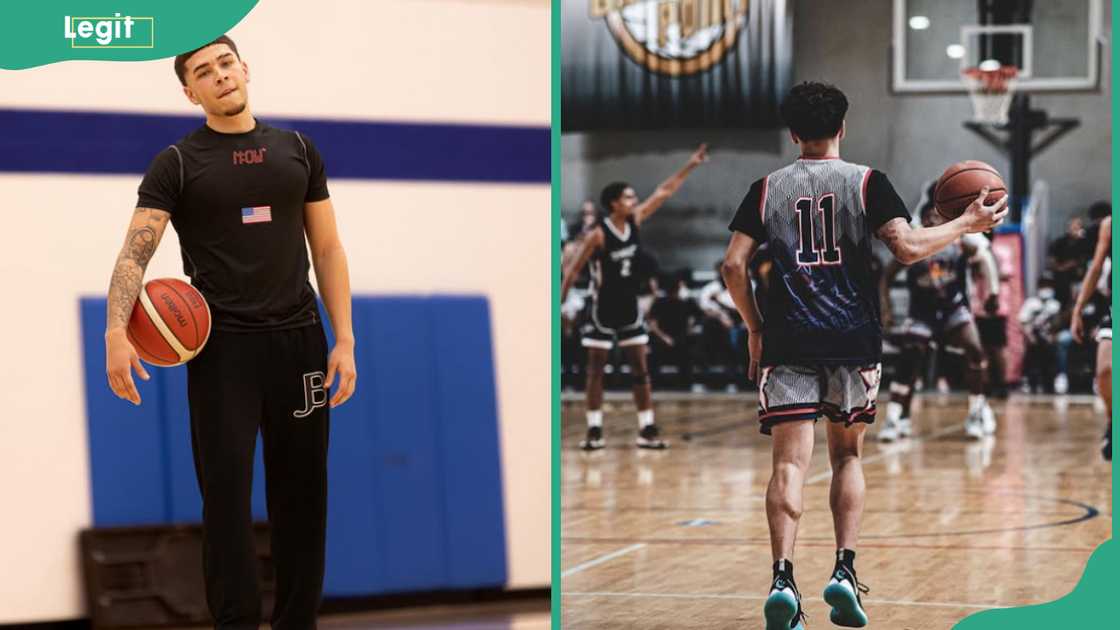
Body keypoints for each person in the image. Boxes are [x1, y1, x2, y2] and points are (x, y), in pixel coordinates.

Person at [720, 82, 1007, 630]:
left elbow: (733, 266)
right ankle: (844, 572)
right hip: (852, 340)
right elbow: (908, 247)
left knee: (788, 465)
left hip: (788, 341)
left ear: (793, 134)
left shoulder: (766, 188)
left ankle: (782, 579)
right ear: (843, 127)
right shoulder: (868, 182)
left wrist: (754, 327)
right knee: (847, 457)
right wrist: (967, 224)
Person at [103, 36, 356, 629]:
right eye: (203, 72)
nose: (218, 75)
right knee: (225, 502)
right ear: (190, 93)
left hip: (300, 344)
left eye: (225, 64)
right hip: (223, 353)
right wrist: (116, 330)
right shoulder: (177, 163)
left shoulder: (298, 150)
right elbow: (135, 253)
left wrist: (344, 338)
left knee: (303, 499)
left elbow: (327, 248)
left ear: (244, 68)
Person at [561, 144, 708, 450]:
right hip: (602, 308)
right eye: (628, 197)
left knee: (641, 370)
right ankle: (594, 429)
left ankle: (646, 429)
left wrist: (691, 164)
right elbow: (573, 271)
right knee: (596, 371)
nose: (635, 200)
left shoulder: (635, 221)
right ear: (614, 204)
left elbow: (664, 192)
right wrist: (557, 305)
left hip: (629, 306)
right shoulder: (598, 235)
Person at [878, 199, 1001, 441]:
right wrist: (886, 309)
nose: (935, 220)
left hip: (953, 309)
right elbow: (886, 277)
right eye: (930, 217)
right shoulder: (913, 243)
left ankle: (978, 411)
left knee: (975, 349)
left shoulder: (958, 241)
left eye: (938, 216)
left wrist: (993, 292)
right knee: (910, 357)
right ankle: (897, 416)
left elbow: (985, 259)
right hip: (921, 313)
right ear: (923, 221)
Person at [1071, 215, 1112, 461]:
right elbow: (1096, 268)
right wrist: (1078, 308)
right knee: (1105, 370)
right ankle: (1113, 421)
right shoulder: (1110, 224)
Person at [647, 272, 703, 389]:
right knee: (653, 352)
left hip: (682, 338)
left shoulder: (688, 302)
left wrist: (691, 325)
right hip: (662, 339)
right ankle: (655, 384)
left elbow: (699, 316)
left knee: (688, 349)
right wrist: (664, 338)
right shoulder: (660, 302)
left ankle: (686, 384)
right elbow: (652, 324)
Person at [1018, 276, 1063, 393]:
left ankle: (1051, 383)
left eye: (1048, 285)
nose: (1045, 288)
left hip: (1048, 338)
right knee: (1032, 357)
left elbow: (1058, 324)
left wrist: (1053, 336)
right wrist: (1030, 336)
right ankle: (1030, 383)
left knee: (1051, 356)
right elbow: (1023, 322)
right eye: (1043, 285)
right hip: (1033, 338)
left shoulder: (1055, 305)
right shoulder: (1030, 303)